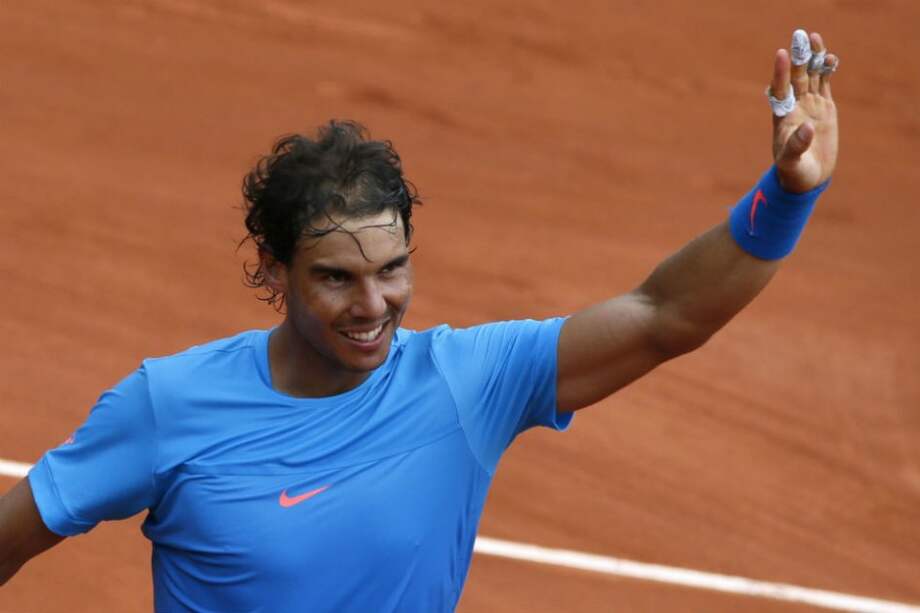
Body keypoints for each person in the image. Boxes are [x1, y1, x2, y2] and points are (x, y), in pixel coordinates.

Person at [0, 29, 839, 612]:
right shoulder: (166, 405)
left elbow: (666, 314)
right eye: (335, 278)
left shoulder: (468, 382)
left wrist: (787, 201)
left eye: (392, 269)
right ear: (272, 268)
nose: (373, 307)